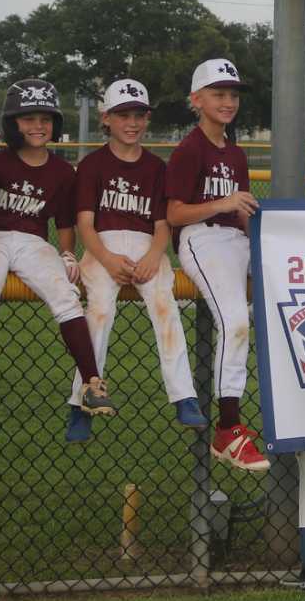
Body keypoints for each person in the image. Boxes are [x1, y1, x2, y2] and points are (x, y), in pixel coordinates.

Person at [0, 77, 111, 449]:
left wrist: (68, 253)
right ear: (13, 123)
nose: (37, 125)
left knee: (66, 295)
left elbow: (64, 221)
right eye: (27, 118)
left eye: (45, 118)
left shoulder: (61, 172)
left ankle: (92, 382)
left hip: (32, 242)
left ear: (55, 123)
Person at [71, 78, 204, 437]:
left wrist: (154, 255)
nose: (132, 123)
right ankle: (83, 398)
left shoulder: (157, 168)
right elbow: (85, 224)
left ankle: (184, 397)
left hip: (147, 246)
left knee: (165, 306)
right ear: (106, 119)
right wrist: (107, 258)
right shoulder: (92, 165)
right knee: (98, 312)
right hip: (103, 247)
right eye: (123, 115)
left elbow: (163, 225)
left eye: (139, 115)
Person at [167, 58, 268, 474]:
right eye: (218, 94)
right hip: (202, 238)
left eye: (232, 95)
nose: (228, 101)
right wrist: (224, 204)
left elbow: (242, 212)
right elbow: (174, 214)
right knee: (234, 320)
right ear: (197, 99)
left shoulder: (237, 152)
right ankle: (228, 428)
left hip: (236, 239)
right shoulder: (189, 149)